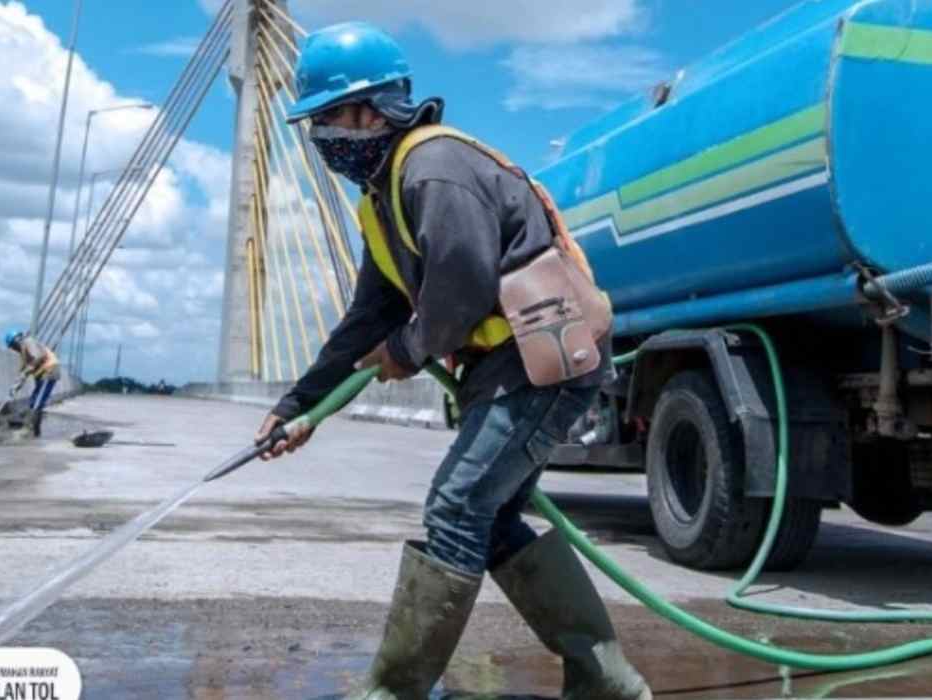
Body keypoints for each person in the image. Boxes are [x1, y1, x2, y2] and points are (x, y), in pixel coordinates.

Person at [254, 22, 651, 700]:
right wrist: (297, 406)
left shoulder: (433, 167)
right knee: (488, 516)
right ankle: (607, 685)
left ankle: (395, 690)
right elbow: (367, 320)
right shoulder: (382, 199)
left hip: (546, 360)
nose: (321, 139)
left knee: (457, 505)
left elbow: (461, 285)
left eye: (327, 120)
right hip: (508, 365)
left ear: (371, 110)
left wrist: (408, 352)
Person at [3, 329, 61, 437]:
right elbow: (23, 373)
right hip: (41, 374)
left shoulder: (28, 342)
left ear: (17, 341)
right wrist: (15, 387)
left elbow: (40, 356)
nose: (14, 349)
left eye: (13, 346)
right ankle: (35, 431)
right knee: (33, 401)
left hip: (49, 371)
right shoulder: (23, 353)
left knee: (38, 402)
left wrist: (29, 368)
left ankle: (29, 429)